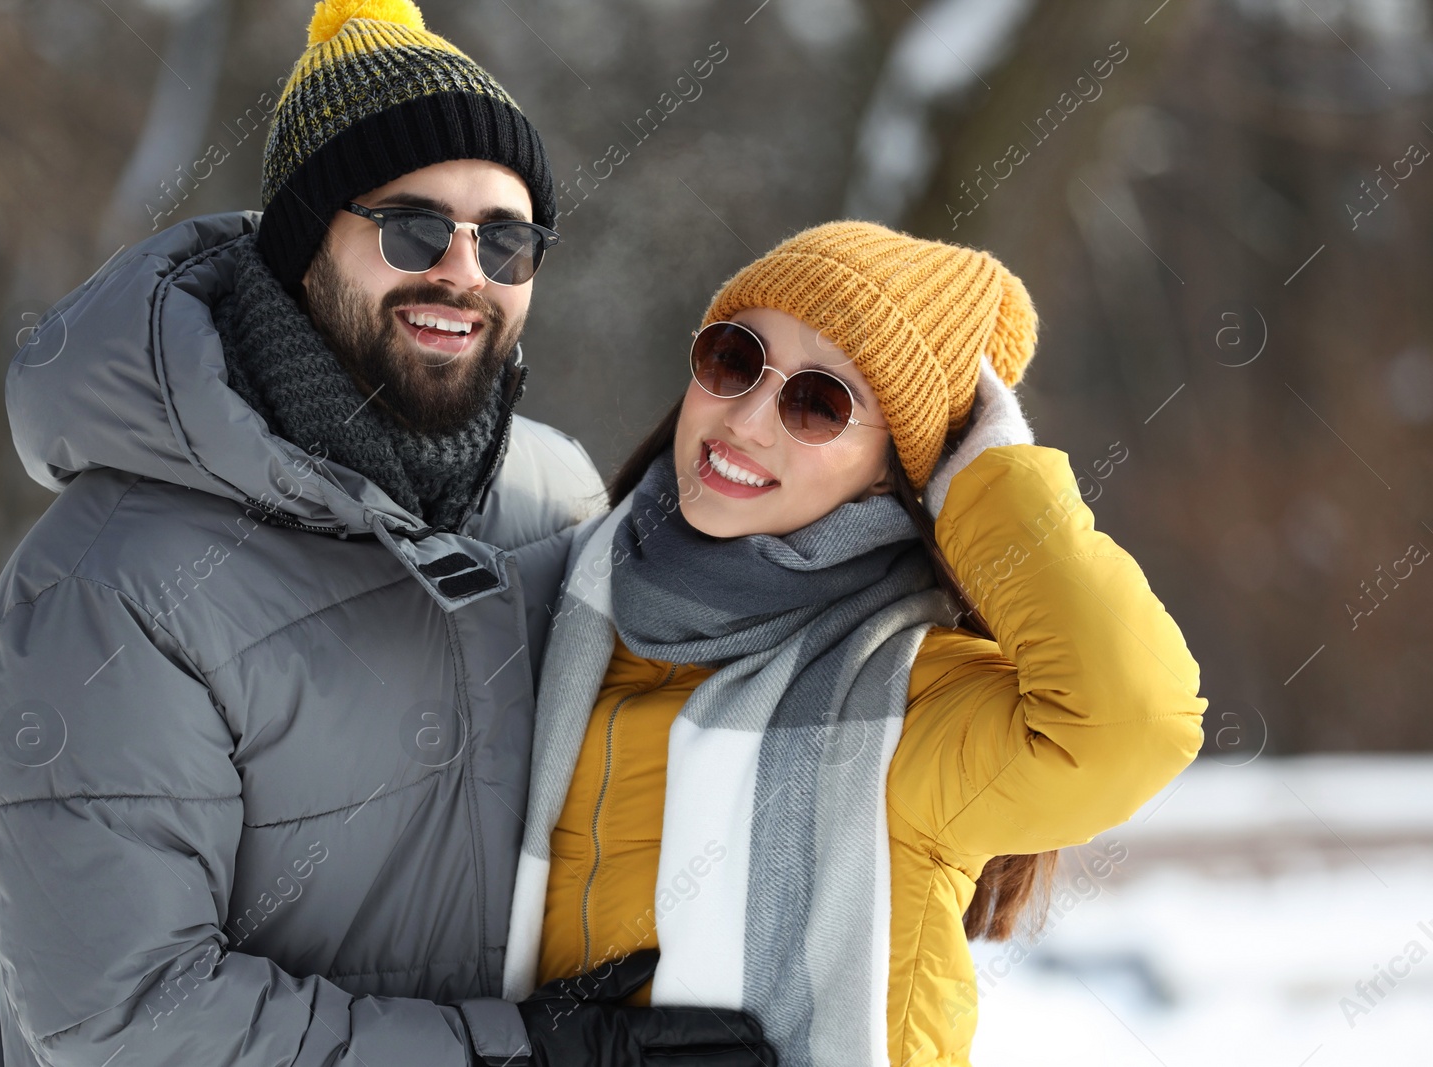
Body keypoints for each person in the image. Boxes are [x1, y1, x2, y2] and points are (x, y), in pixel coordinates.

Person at [0, 1, 772, 1064]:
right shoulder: (111, 583)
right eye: (410, 225)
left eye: (509, 238)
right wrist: (513, 1053)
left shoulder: (557, 495)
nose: (461, 268)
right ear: (305, 242)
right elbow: (123, 1019)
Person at [503, 221, 1208, 1065]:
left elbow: (1132, 723)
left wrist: (987, 478)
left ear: (891, 470)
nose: (750, 418)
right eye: (735, 358)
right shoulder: (568, 607)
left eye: (818, 403)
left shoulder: (909, 702)